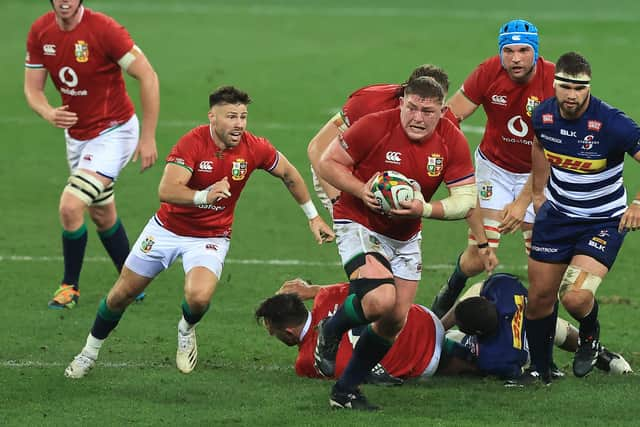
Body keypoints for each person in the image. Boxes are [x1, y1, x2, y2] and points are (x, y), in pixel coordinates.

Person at [63, 86, 335, 379]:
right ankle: (88, 352)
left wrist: (313, 217)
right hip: (166, 230)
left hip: (210, 237)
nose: (239, 124)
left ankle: (186, 329)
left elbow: (289, 174)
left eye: (243, 116)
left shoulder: (254, 147)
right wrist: (204, 196)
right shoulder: (191, 143)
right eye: (231, 116)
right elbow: (166, 190)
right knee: (121, 295)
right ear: (212, 117)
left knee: (198, 298)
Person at [314, 76, 477, 410]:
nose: (417, 117)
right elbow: (327, 162)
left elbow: (466, 198)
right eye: (412, 108)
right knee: (378, 301)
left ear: (442, 111)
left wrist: (425, 209)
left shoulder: (452, 141)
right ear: (402, 102)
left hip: (405, 235)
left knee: (394, 321)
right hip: (358, 221)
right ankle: (331, 329)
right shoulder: (374, 126)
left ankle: (344, 392)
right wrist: (361, 191)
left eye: (427, 111)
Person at [24, 0, 160, 309]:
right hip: (77, 138)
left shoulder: (105, 30)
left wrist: (148, 137)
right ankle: (133, 281)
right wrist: (47, 112)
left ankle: (69, 288)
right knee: (102, 213)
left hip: (115, 133)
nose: (65, 1)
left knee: (71, 206)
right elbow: (33, 88)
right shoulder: (41, 31)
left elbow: (148, 75)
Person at [519, 51, 640, 384]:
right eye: (565, 86)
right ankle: (540, 370)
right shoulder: (543, 115)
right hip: (557, 216)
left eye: (579, 88)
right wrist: (538, 192)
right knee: (540, 298)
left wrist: (638, 204)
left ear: (589, 87)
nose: (571, 95)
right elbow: (540, 146)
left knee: (574, 297)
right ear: (554, 83)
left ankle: (589, 334)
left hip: (604, 220)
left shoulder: (613, 123)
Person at [254, 276, 631, 384]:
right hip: (428, 319)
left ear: (287, 333)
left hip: (431, 356)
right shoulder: (326, 299)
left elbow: (355, 370)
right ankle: (591, 346)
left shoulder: (306, 359)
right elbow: (369, 288)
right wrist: (310, 289)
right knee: (498, 303)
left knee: (491, 358)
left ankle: (535, 358)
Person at [431, 19, 556, 318]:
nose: (515, 58)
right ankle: (453, 285)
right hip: (494, 168)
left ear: (535, 52)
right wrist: (452, 161)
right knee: (477, 255)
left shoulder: (553, 81)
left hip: (539, 172)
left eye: (524, 51)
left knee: (543, 263)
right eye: (508, 50)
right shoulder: (488, 71)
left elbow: (552, 149)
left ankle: (542, 339)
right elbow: (450, 117)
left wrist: (524, 200)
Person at [307, 64, 458, 214]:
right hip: (343, 170)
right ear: (406, 90)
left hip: (391, 179)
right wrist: (338, 203)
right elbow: (319, 148)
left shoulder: (448, 125)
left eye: (435, 101)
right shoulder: (369, 102)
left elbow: (463, 186)